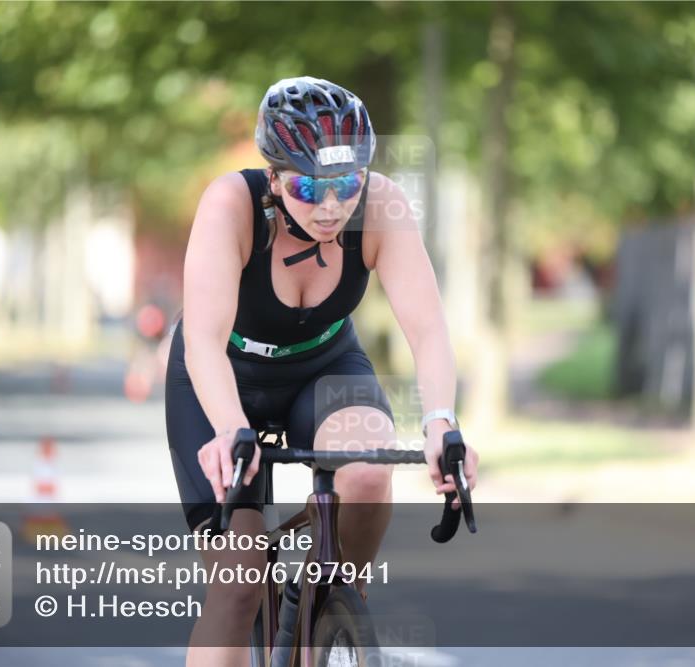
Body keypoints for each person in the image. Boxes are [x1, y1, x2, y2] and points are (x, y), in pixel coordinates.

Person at [165, 75, 479, 667]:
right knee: (239, 583)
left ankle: (331, 603)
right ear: (276, 178)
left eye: (346, 185)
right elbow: (203, 341)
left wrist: (441, 422)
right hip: (221, 376)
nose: (332, 206)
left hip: (323, 368)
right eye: (309, 186)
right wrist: (232, 429)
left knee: (365, 474)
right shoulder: (230, 206)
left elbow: (429, 330)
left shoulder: (381, 206)